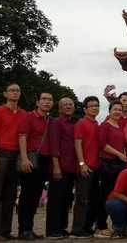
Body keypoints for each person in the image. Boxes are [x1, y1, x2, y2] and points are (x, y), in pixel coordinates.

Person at [0, 83, 26, 240]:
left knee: (9, 196)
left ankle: (5, 230)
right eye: (12, 90)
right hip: (0, 154)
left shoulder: (23, 114)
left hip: (15, 156)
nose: (15, 93)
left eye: (17, 90)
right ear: (5, 93)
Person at [17, 92, 54, 240]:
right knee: (27, 194)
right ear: (37, 102)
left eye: (50, 99)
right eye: (44, 99)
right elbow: (22, 136)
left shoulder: (49, 120)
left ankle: (29, 228)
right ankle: (23, 229)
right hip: (32, 158)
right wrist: (25, 158)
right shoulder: (29, 116)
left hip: (45, 160)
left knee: (36, 195)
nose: (47, 102)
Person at [45, 98, 77, 239]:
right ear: (59, 109)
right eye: (65, 105)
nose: (68, 106)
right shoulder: (56, 123)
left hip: (71, 167)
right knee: (56, 199)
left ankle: (62, 227)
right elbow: (54, 145)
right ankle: (53, 229)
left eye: (71, 104)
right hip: (60, 166)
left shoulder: (73, 124)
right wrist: (56, 166)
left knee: (66, 199)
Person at [95, 101, 127, 238]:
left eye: (120, 109)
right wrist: (119, 154)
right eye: (115, 109)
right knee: (105, 195)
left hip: (119, 164)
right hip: (109, 164)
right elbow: (102, 144)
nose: (117, 112)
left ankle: (118, 225)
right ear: (109, 110)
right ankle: (101, 225)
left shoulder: (119, 126)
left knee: (118, 194)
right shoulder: (105, 125)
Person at [72, 96, 101, 238]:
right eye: (91, 106)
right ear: (85, 109)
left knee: (93, 199)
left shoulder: (96, 124)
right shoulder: (81, 123)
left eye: (97, 105)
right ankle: (77, 229)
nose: (95, 108)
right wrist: (82, 164)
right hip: (85, 166)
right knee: (82, 199)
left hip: (96, 166)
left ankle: (87, 227)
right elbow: (78, 145)